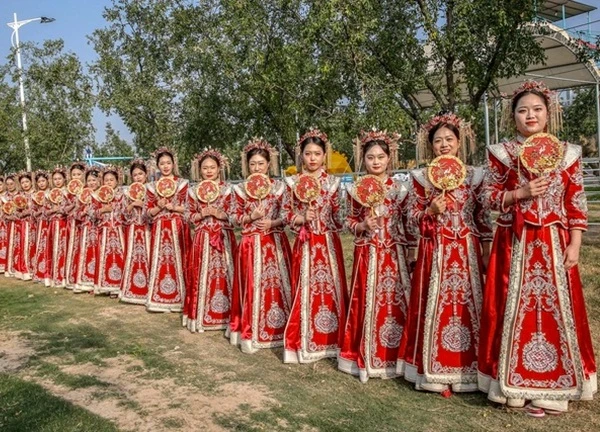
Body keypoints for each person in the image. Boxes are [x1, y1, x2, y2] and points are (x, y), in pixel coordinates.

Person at [478, 80, 596, 416]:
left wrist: (574, 244)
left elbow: (576, 200)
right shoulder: (502, 154)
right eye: (523, 110)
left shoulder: (568, 153)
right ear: (512, 116)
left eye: (537, 109)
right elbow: (487, 197)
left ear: (549, 114)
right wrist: (520, 193)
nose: (530, 115)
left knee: (556, 310)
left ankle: (555, 386)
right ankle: (508, 382)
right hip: (514, 243)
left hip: (554, 244)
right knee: (510, 308)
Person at [397, 112, 493, 395]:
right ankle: (434, 371)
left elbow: (483, 218)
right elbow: (411, 217)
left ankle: (470, 371)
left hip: (466, 251)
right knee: (434, 305)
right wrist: (430, 211)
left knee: (468, 305)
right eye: (437, 140)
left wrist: (486, 253)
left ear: (459, 142)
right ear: (430, 145)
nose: (443, 145)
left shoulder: (475, 176)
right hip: (435, 250)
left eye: (449, 139)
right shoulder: (421, 178)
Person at [339, 129, 414, 382]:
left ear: (389, 158)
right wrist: (361, 226)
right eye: (370, 157)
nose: (376, 162)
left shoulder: (401, 189)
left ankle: (396, 358)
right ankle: (366, 357)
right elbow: (347, 221)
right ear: (364, 159)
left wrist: (411, 250)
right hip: (368, 253)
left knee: (395, 301)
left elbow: (408, 223)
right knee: (366, 300)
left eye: (381, 156)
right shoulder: (355, 190)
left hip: (394, 253)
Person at [282, 128, 348, 363]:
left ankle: (333, 341)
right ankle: (304, 341)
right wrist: (301, 218)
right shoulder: (292, 183)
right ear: (301, 156)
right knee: (305, 289)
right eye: (308, 154)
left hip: (329, 243)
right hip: (306, 244)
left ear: (324, 156)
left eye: (317, 154)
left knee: (333, 290)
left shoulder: (333, 183)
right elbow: (285, 214)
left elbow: (342, 217)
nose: (312, 158)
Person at [228, 139, 292, 353]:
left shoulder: (280, 187)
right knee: (252, 286)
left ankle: (280, 329)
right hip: (250, 244)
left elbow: (287, 215)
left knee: (277, 284)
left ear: (268, 164)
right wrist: (250, 216)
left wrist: (273, 222)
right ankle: (251, 331)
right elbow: (233, 218)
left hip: (274, 242)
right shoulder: (240, 189)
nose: (257, 168)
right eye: (253, 164)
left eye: (261, 164)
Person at [183, 148, 236, 332]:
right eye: (205, 168)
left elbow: (235, 215)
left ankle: (228, 315)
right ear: (199, 169)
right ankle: (201, 316)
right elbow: (188, 215)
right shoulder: (193, 191)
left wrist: (219, 214)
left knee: (226, 273)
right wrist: (201, 214)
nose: (209, 171)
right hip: (203, 238)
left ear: (219, 168)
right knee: (201, 275)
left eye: (212, 167)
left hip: (223, 237)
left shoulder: (229, 190)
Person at [146, 147, 190, 312]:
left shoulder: (183, 184)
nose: (165, 166)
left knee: (180, 260)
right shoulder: (151, 186)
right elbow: (146, 213)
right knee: (162, 261)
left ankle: (182, 299)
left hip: (178, 227)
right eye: (162, 163)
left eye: (168, 163)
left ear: (173, 164)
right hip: (160, 228)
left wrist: (174, 208)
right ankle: (161, 299)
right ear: (157, 165)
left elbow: (189, 209)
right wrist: (158, 207)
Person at [120, 159, 151, 305]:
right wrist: (132, 204)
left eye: (140, 174)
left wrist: (143, 205)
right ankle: (132, 290)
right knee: (134, 258)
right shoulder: (127, 192)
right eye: (135, 175)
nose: (138, 177)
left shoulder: (152, 190)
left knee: (149, 257)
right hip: (133, 229)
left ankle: (149, 291)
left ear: (146, 174)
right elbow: (123, 214)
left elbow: (154, 210)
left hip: (147, 228)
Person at [93, 166, 126, 297]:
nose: (109, 182)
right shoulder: (97, 196)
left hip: (119, 231)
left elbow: (126, 212)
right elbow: (91, 213)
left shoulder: (122, 195)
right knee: (105, 258)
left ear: (117, 181)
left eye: (112, 180)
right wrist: (102, 210)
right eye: (106, 180)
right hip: (105, 230)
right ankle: (106, 285)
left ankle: (119, 286)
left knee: (120, 257)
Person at [74, 167, 101, 294]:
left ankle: (97, 282)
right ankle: (85, 282)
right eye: (89, 180)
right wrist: (83, 212)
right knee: (87, 254)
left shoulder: (104, 193)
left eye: (94, 180)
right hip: (86, 228)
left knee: (98, 254)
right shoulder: (82, 195)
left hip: (99, 229)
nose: (91, 183)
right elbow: (76, 214)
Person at [65, 162, 87, 290]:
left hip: (84, 224)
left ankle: (83, 277)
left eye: (79, 174)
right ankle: (71, 278)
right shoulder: (69, 193)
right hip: (71, 224)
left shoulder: (88, 190)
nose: (76, 177)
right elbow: (64, 209)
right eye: (74, 174)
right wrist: (75, 204)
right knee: (72, 248)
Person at [48, 166, 70, 287]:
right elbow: (45, 212)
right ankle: (55, 276)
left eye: (59, 178)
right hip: (53, 225)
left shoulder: (69, 192)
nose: (57, 181)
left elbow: (72, 209)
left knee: (64, 250)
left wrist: (61, 209)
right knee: (54, 250)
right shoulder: (50, 194)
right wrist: (52, 210)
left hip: (64, 225)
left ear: (64, 179)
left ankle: (64, 277)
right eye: (55, 179)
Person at [31, 170, 52, 286]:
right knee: (41, 247)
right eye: (39, 182)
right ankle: (41, 273)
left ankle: (50, 274)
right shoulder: (35, 196)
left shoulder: (54, 193)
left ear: (48, 181)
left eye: (43, 181)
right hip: (41, 224)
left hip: (52, 224)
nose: (41, 184)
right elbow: (33, 212)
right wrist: (40, 212)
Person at [4, 173, 20, 278]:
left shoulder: (20, 194)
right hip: (9, 224)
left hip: (20, 223)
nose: (10, 186)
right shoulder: (5, 197)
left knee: (19, 245)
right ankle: (10, 267)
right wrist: (8, 217)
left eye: (12, 183)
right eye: (8, 184)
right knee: (10, 244)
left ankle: (19, 267)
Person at [0, 176, 7, 273]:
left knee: (4, 242)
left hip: (5, 222)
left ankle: (4, 264)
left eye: (0, 185)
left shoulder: (7, 196)